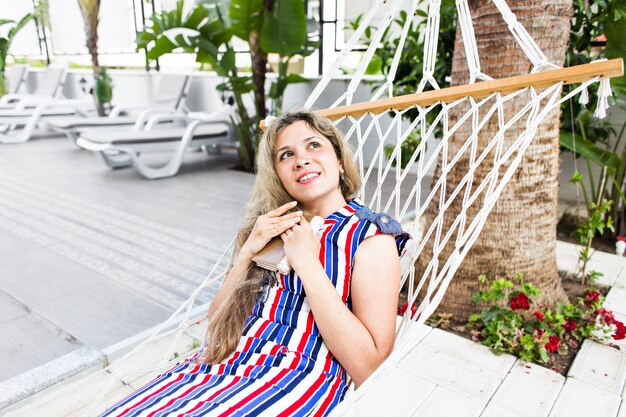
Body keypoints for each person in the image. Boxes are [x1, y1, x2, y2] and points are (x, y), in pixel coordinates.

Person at [100, 110, 410, 416]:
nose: (301, 159)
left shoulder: (371, 237)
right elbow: (218, 322)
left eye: (314, 145)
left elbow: (369, 367)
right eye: (286, 155)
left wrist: (308, 266)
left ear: (340, 161)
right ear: (279, 175)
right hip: (218, 367)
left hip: (293, 379)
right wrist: (249, 250)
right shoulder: (274, 226)